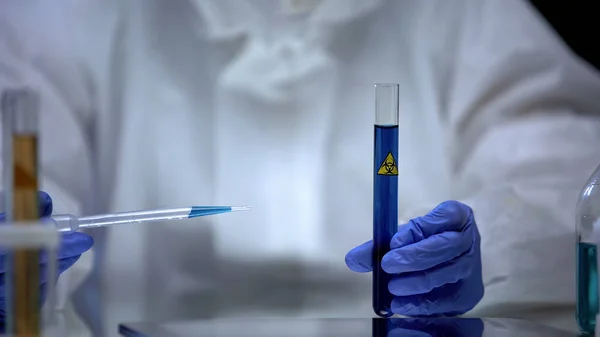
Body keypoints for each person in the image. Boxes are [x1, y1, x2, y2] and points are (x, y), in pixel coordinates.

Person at [2, 0, 600, 336]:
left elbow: (561, 172)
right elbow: (21, 177)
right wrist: (20, 256)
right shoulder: (64, 16)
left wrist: (489, 242)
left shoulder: (465, 16)